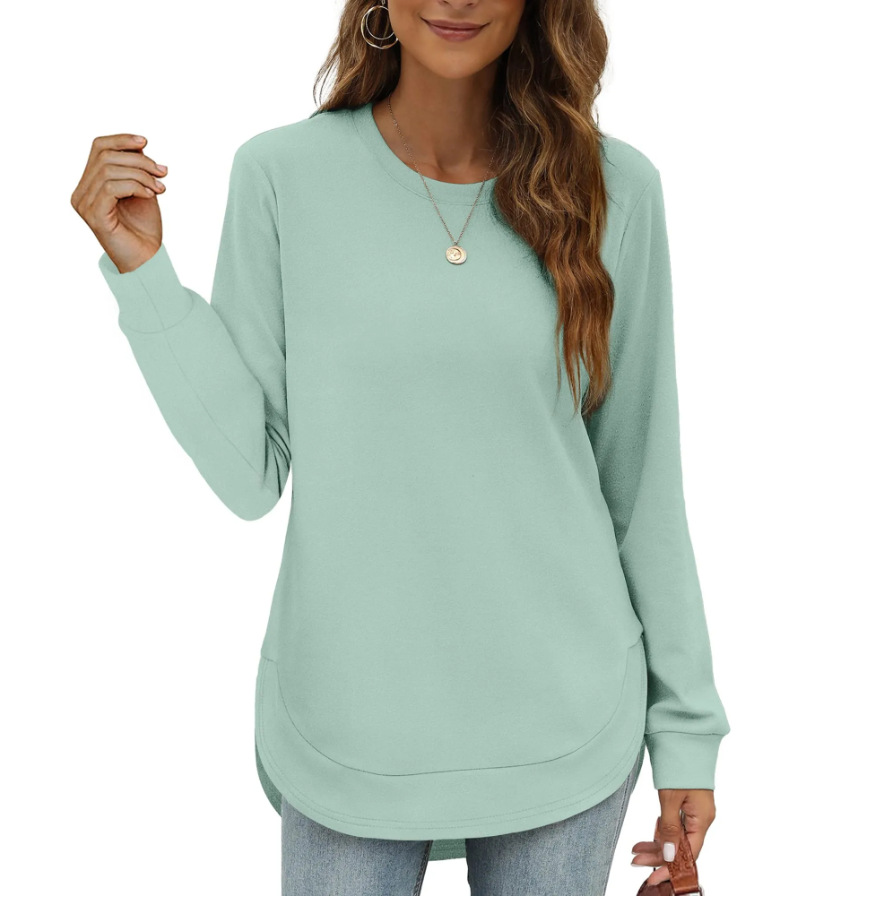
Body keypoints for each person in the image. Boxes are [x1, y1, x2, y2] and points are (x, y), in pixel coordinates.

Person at [71, 1, 731, 894]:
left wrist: (685, 733)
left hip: (563, 717)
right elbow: (247, 471)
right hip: (349, 721)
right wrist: (143, 274)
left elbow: (642, 483)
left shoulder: (615, 189)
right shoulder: (282, 175)